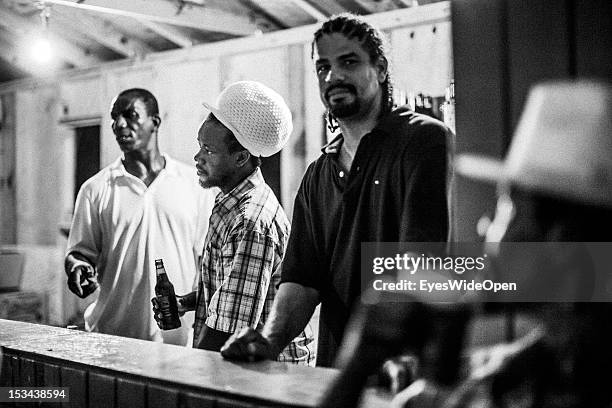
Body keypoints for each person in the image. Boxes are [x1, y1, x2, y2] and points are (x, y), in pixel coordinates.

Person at [318, 80, 612, 407]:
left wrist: (359, 364)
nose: (486, 225)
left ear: (562, 245)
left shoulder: (525, 382)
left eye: (507, 207)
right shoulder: (522, 368)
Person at [221, 14, 451, 367]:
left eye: (348, 62)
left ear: (381, 68)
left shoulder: (424, 142)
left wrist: (396, 353)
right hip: (335, 372)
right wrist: (268, 341)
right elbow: (302, 281)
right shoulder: (318, 173)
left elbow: (421, 266)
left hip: (406, 375)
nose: (333, 76)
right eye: (322, 67)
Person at [154, 81, 314, 364]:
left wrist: (188, 379)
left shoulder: (251, 220)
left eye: (208, 150)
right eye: (199, 146)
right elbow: (231, 290)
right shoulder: (229, 203)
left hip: (270, 378)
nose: (197, 158)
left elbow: (228, 330)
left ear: (241, 157)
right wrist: (187, 302)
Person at [65, 88, 215, 345]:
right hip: (112, 337)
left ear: (155, 122)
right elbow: (79, 253)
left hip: (178, 339)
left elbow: (208, 263)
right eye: (114, 117)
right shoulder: (96, 188)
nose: (119, 124)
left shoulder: (194, 184)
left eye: (130, 115)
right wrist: (78, 267)